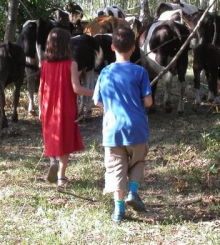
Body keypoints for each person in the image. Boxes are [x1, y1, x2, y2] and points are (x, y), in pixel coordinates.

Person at [93, 26, 153, 222]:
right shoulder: (141, 72)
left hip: (113, 130)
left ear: (112, 47)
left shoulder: (105, 73)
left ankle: (119, 210)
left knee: (115, 169)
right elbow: (149, 102)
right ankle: (133, 192)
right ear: (134, 48)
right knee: (137, 161)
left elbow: (97, 102)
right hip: (137, 128)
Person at [39, 28, 93, 188]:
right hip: (66, 107)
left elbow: (41, 87)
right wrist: (96, 92)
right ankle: (61, 176)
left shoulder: (44, 64)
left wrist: (41, 108)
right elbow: (76, 88)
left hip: (47, 105)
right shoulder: (72, 64)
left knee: (51, 136)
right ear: (66, 45)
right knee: (65, 138)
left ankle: (52, 161)